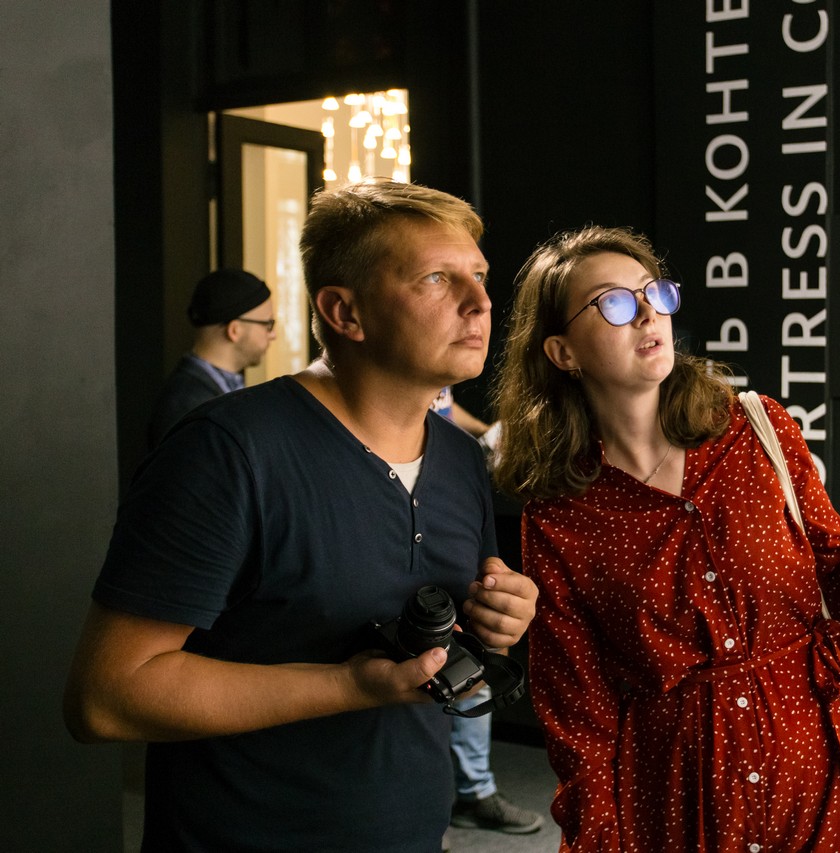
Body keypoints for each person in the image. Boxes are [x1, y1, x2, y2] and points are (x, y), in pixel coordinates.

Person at [491, 225, 840, 852]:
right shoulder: (561, 514)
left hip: (824, 780)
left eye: (654, 292)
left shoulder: (758, 431)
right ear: (563, 353)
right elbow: (577, 710)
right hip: (684, 805)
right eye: (613, 302)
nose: (648, 313)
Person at [63, 179, 538, 853]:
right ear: (344, 312)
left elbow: (448, 649)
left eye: (480, 276)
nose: (480, 302)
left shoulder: (461, 458)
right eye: (436, 278)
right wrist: (348, 685)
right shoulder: (228, 452)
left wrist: (496, 621)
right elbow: (105, 698)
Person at [429, 388, 543, 838]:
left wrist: (482, 432)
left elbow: (440, 402)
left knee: (474, 659)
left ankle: (472, 793)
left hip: (446, 475)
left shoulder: (459, 451)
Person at [147, 267, 276, 448]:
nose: (273, 335)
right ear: (235, 331)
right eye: (268, 324)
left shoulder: (215, 390)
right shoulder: (188, 405)